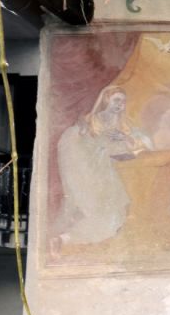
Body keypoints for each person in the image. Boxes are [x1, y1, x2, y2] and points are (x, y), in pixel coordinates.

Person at [52, 85, 154, 250]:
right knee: (103, 213)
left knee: (115, 214)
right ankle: (65, 239)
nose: (120, 105)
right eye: (116, 100)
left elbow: (145, 144)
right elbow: (76, 144)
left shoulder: (124, 124)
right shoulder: (91, 121)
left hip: (109, 173)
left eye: (123, 101)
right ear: (106, 100)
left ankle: (65, 239)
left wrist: (125, 138)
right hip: (91, 173)